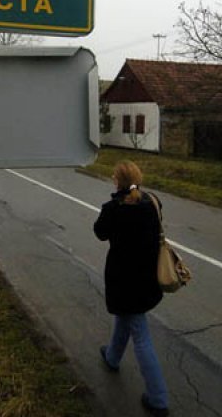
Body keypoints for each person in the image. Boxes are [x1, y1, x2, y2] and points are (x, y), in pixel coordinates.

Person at [93, 160, 169, 417]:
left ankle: (158, 398)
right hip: (146, 278)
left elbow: (99, 232)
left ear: (117, 181)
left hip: (123, 279)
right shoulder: (152, 203)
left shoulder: (113, 209)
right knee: (127, 318)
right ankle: (113, 357)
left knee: (140, 334)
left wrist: (112, 206)